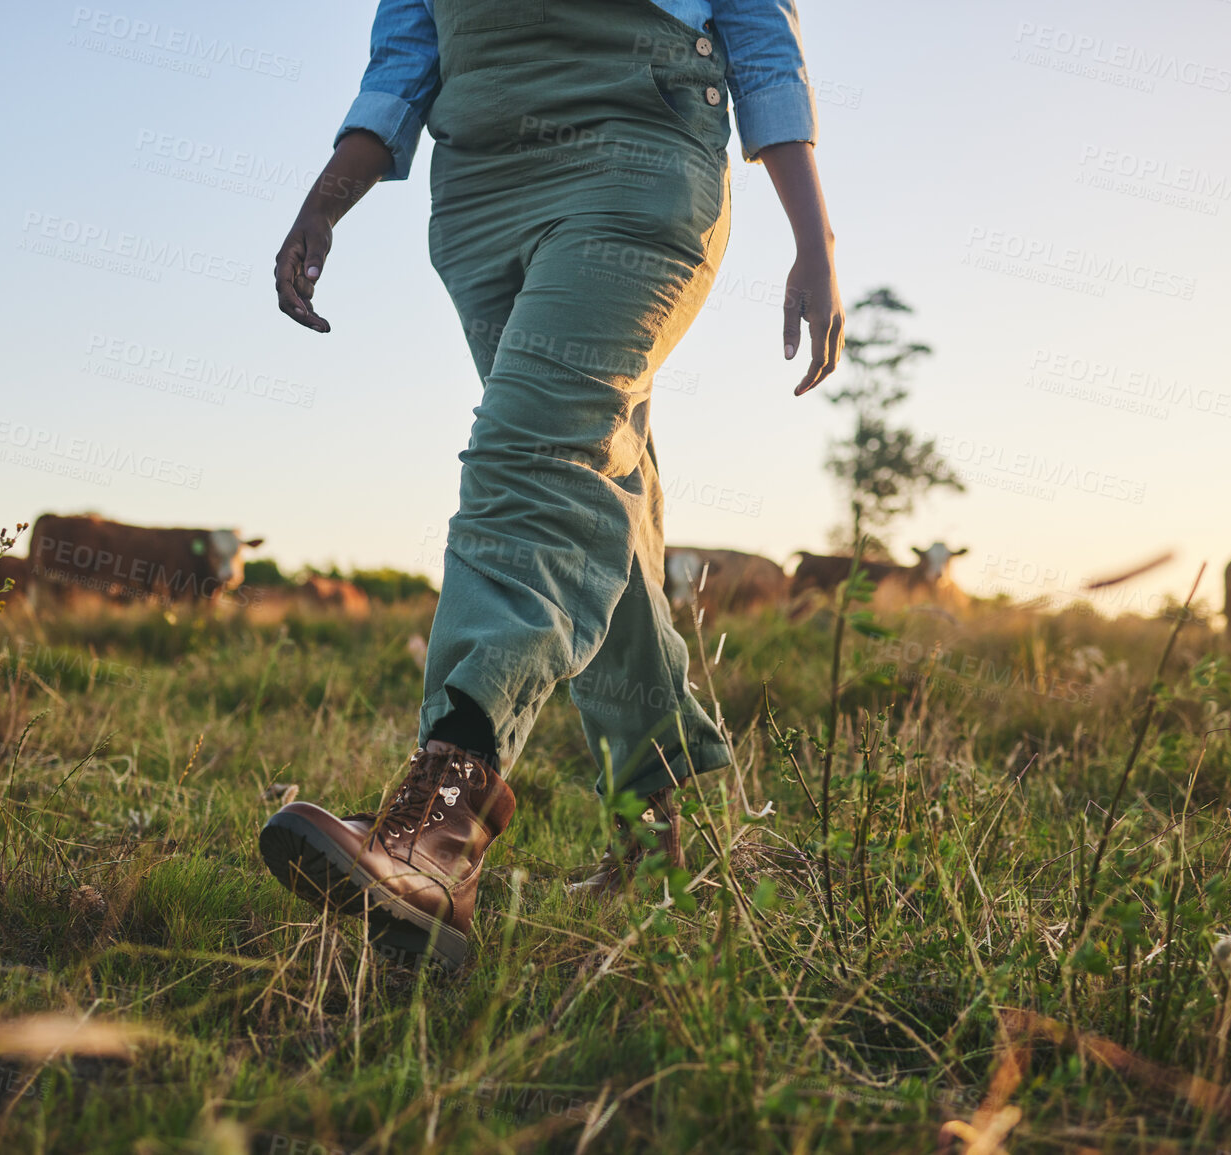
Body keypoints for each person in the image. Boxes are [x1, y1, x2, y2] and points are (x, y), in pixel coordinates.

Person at [260, 0, 844, 969]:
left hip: (638, 145)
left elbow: (754, 19)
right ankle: (658, 837)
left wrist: (813, 235)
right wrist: (324, 202)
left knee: (534, 464)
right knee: (595, 494)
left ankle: (437, 830)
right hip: (482, 183)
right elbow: (407, 53)